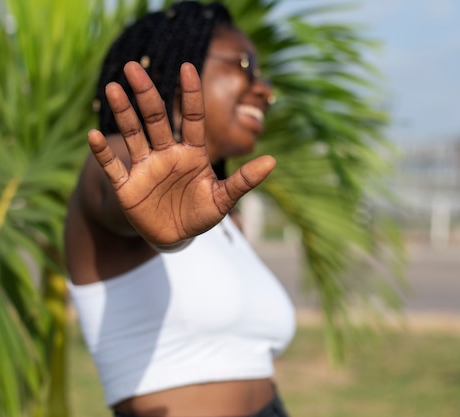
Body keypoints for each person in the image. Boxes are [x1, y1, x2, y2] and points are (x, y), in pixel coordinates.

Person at [64, 2, 296, 416]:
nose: (264, 90)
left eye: (264, 77)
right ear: (176, 71)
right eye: (244, 65)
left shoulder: (230, 222)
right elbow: (125, 203)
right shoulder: (116, 163)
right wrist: (171, 232)